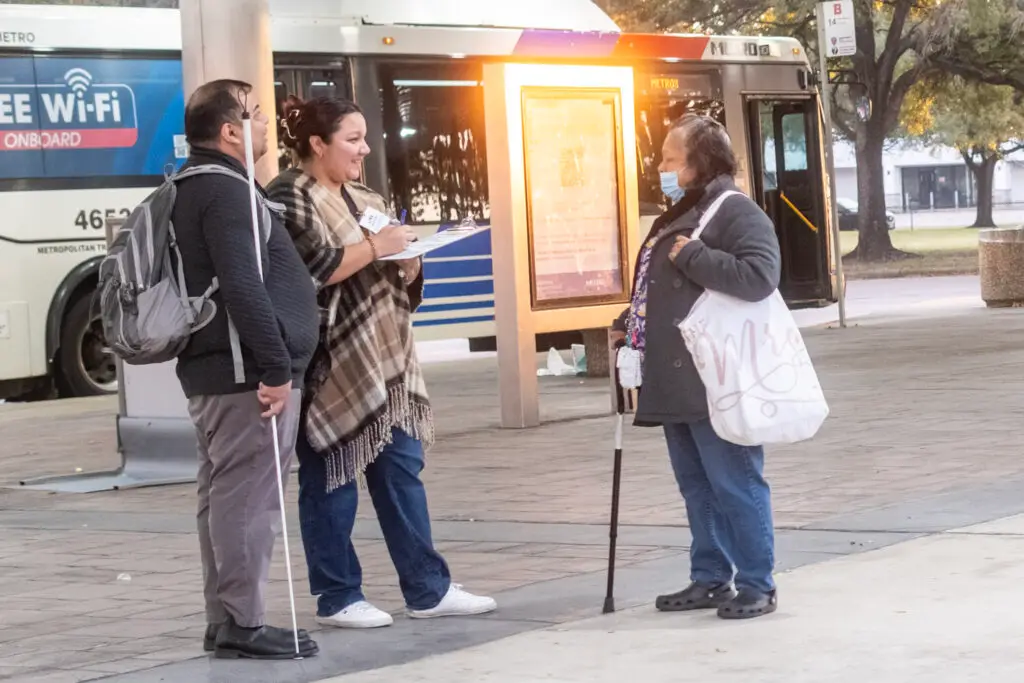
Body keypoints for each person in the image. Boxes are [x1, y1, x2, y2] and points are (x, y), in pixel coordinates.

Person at [267, 95, 497, 629]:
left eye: (364, 138)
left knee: (401, 473)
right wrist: (378, 248)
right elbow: (314, 271)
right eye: (352, 139)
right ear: (317, 144)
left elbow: (400, 284)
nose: (364, 149)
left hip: (388, 362)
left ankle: (428, 588)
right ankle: (338, 596)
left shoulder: (365, 196)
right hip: (329, 364)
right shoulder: (288, 195)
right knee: (332, 479)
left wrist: (412, 262)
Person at [611, 114, 783, 620]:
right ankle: (711, 577)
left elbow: (760, 276)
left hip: (716, 377)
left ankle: (757, 582)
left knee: (735, 481)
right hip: (677, 376)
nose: (660, 166)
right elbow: (656, 283)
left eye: (670, 158)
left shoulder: (735, 211)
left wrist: (695, 256)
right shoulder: (680, 211)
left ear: (699, 163)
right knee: (697, 485)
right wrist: (628, 320)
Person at [172, 79, 321, 659]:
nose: (265, 124)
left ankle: (227, 619)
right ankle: (243, 622)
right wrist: (277, 366)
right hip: (244, 377)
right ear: (231, 130)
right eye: (256, 114)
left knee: (226, 494)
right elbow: (242, 283)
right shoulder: (225, 189)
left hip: (222, 374)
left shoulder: (198, 184)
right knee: (249, 499)